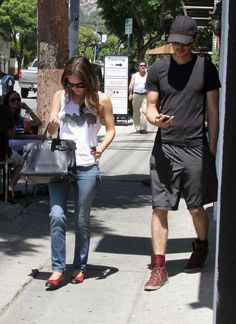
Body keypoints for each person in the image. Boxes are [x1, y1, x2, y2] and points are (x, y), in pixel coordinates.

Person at [144, 16, 221, 291]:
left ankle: (201, 246)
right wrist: (156, 120)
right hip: (165, 147)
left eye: (184, 44)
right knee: (159, 207)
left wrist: (211, 149)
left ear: (194, 42)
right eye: (175, 42)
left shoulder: (206, 68)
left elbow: (213, 111)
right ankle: (159, 266)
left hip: (195, 148)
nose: (179, 48)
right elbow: (150, 106)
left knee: (197, 208)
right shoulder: (157, 70)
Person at [45, 56, 115, 290]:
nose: (74, 89)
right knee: (56, 216)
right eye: (70, 84)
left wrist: (101, 148)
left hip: (87, 165)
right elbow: (50, 129)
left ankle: (79, 267)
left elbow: (111, 129)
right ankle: (57, 268)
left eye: (79, 84)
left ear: (89, 81)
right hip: (59, 166)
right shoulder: (59, 96)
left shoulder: (100, 100)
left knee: (82, 221)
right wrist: (52, 125)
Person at [2, 91, 42, 200]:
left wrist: (28, 109)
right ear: (7, 102)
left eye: (18, 100)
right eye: (13, 100)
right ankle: (10, 187)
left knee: (33, 148)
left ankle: (11, 186)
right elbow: (10, 137)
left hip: (16, 144)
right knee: (35, 144)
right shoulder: (5, 115)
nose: (16, 102)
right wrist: (32, 137)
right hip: (8, 144)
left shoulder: (19, 118)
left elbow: (38, 123)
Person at [129, 60, 148, 134]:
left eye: (144, 65)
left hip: (145, 95)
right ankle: (137, 128)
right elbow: (131, 85)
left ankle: (143, 128)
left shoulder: (148, 75)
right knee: (136, 112)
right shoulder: (135, 75)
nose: (143, 67)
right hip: (136, 95)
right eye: (141, 66)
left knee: (144, 111)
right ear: (138, 67)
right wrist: (130, 94)